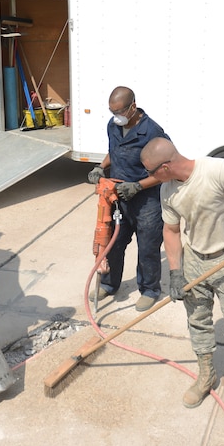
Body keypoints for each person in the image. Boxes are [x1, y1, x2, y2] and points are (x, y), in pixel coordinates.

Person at [140, 137, 224, 428]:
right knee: (198, 322)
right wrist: (175, 272)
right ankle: (206, 375)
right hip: (194, 262)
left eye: (152, 171)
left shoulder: (216, 170)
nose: (149, 178)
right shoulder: (168, 189)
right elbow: (172, 231)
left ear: (165, 166)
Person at [87, 86, 170, 312]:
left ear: (133, 107)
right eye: (112, 111)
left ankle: (150, 289)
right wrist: (101, 167)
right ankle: (109, 283)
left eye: (120, 111)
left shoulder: (152, 132)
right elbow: (114, 152)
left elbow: (167, 169)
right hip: (119, 197)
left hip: (146, 201)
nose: (116, 116)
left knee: (148, 246)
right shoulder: (113, 125)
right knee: (113, 243)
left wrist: (138, 185)